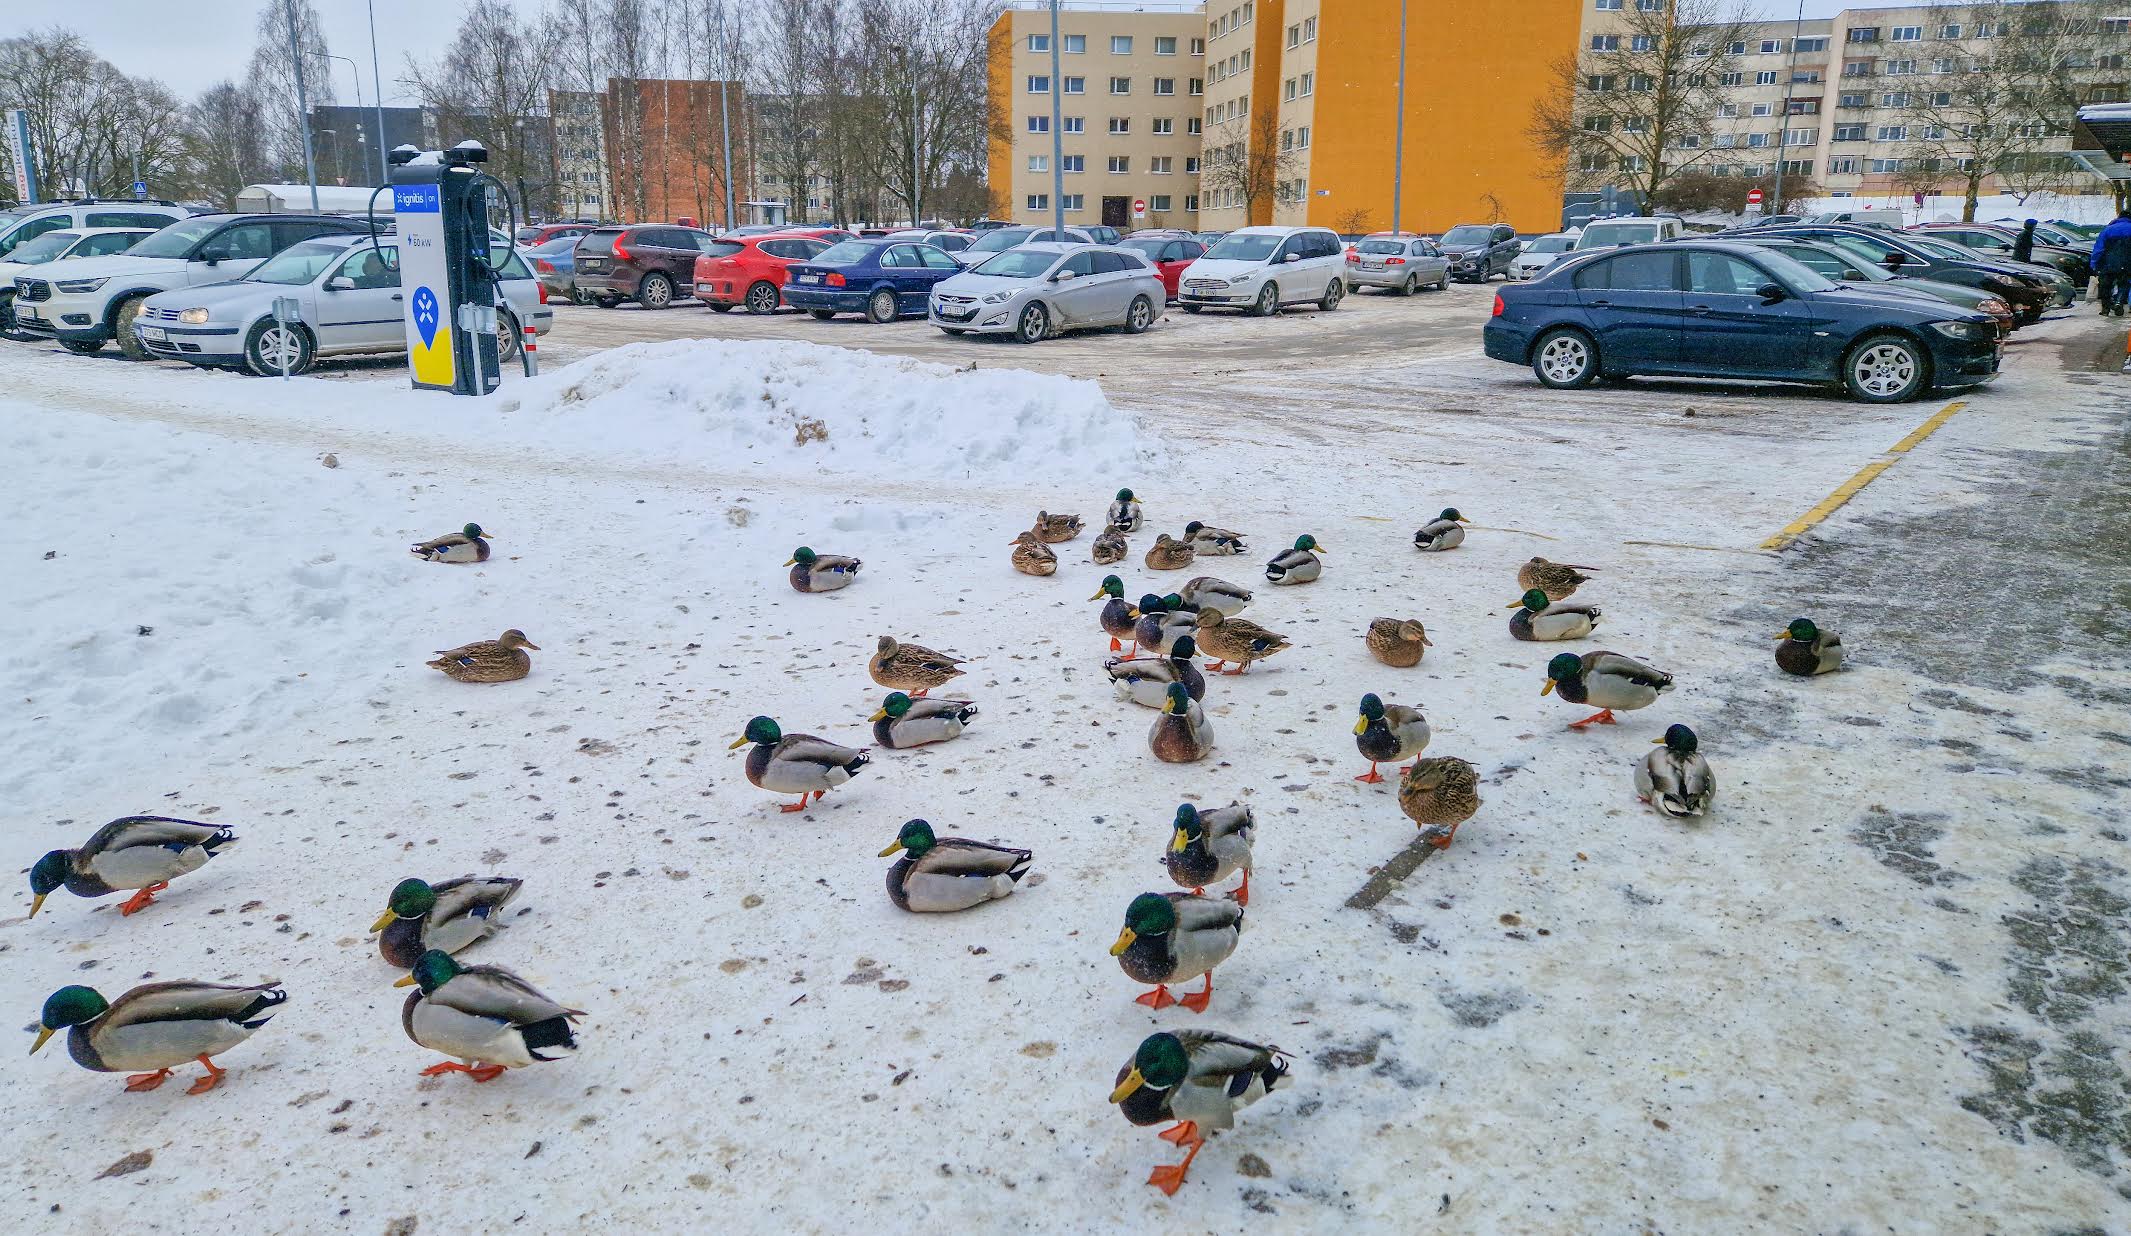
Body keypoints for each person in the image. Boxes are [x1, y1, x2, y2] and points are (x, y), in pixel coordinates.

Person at [2093, 211, 2131, 316]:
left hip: (2108, 263)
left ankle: (2106, 308)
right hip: (2127, 263)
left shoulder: (2108, 230)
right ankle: (2119, 301)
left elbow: (2099, 248)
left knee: (2106, 285)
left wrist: (2094, 263)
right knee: (2124, 283)